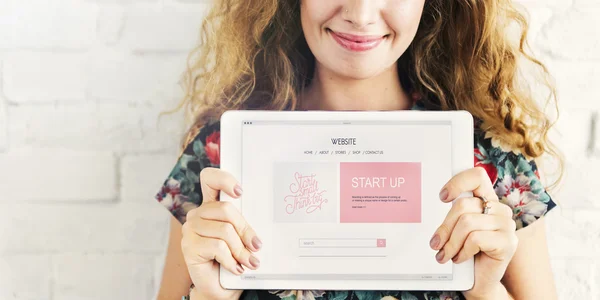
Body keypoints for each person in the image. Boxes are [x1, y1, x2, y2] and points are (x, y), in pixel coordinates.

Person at [154, 0, 561, 299]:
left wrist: (486, 291)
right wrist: (210, 296)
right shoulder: (220, 155)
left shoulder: (491, 166)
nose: (362, 15)